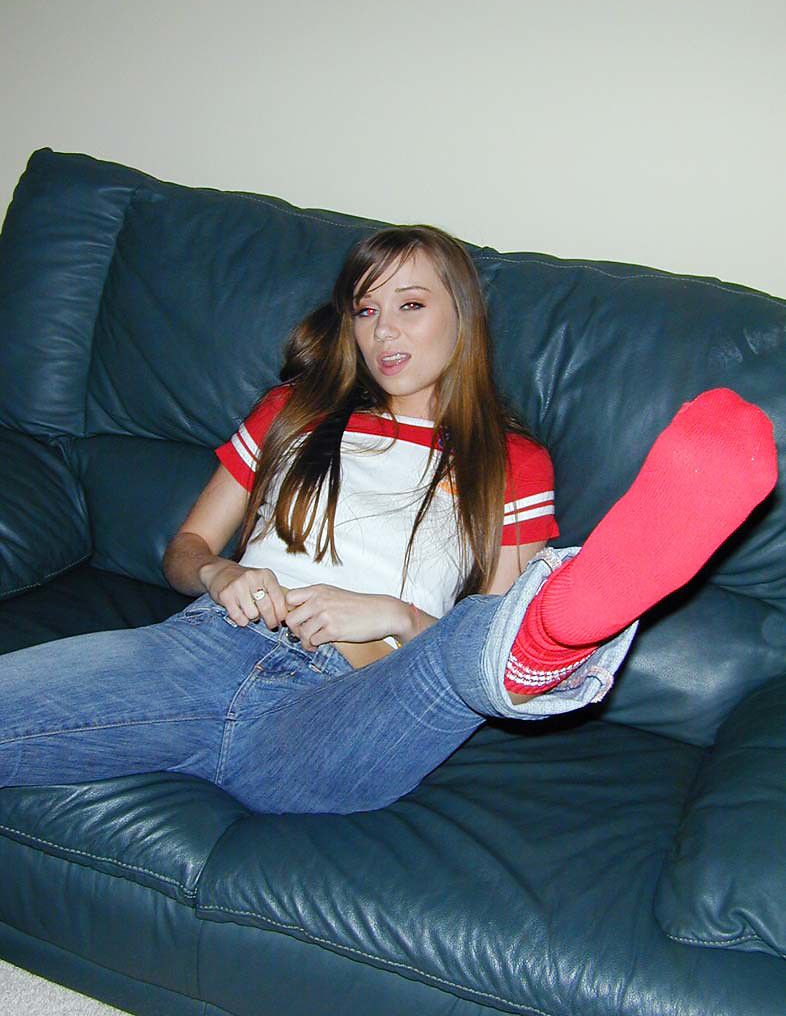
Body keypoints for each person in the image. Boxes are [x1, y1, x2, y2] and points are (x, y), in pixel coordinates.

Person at [0, 226, 777, 814]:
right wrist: (219, 572)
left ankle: (553, 635)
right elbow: (185, 547)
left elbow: (476, 626)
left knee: (487, 638)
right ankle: (549, 635)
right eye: (366, 310)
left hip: (354, 706)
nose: (384, 332)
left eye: (410, 305)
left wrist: (396, 616)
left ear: (462, 317)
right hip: (206, 651)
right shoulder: (292, 412)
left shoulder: (511, 461)